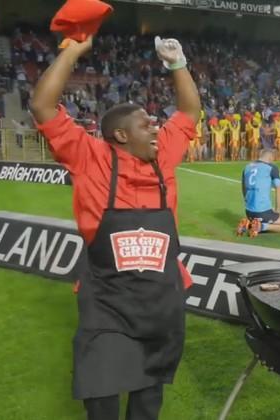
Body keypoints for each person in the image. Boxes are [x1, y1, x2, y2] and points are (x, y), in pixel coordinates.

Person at [30, 35, 201, 420]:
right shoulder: (89, 156)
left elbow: (189, 113)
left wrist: (178, 64)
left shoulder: (163, 155)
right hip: (107, 300)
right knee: (101, 388)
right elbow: (43, 106)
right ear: (120, 135)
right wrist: (72, 51)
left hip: (161, 298)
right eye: (146, 125)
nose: (156, 129)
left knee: (148, 393)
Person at [236, 149, 280, 237]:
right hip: (262, 212)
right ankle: (260, 227)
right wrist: (278, 212)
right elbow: (279, 189)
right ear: (270, 157)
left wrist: (247, 202)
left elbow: (243, 188)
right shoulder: (272, 168)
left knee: (267, 212)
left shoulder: (247, 167)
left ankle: (248, 223)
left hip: (249, 211)